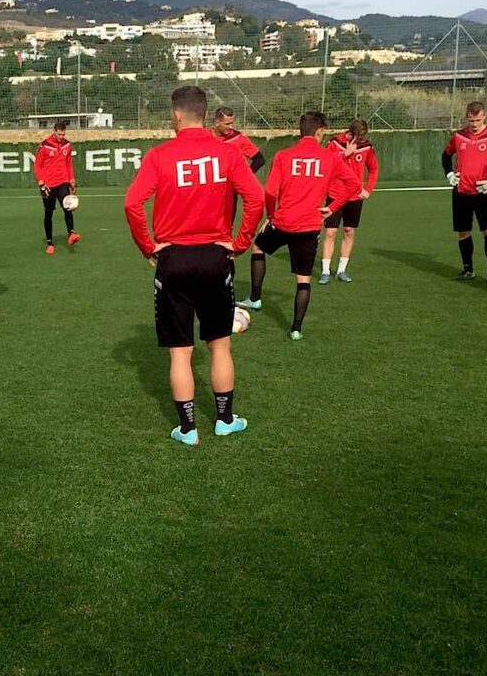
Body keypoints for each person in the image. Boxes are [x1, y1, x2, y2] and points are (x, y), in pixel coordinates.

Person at [124, 85, 264, 446]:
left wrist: (147, 247)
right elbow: (255, 198)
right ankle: (225, 420)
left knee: (180, 352)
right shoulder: (228, 152)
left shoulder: (159, 155)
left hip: (174, 259)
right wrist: (240, 243)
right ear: (205, 115)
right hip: (216, 257)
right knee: (220, 345)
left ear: (176, 115)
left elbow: (132, 204)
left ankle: (188, 430)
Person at [237, 110, 358, 340]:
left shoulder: (283, 156)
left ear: (301, 130)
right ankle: (296, 329)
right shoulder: (330, 158)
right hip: (309, 227)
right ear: (319, 132)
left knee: (258, 247)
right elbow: (353, 185)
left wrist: (271, 216)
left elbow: (270, 191)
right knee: (303, 280)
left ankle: (255, 297)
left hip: (282, 221)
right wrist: (332, 208)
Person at [442, 101, 487, 283]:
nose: (474, 124)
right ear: (466, 118)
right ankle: (468, 270)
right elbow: (446, 155)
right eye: (471, 120)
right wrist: (449, 174)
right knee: (463, 232)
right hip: (461, 191)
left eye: (477, 120)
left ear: (485, 116)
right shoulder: (459, 136)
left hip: (483, 191)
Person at [319, 118, 378, 284]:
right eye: (359, 137)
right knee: (330, 232)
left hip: (354, 197)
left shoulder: (367, 147)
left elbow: (373, 169)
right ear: (350, 134)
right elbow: (326, 163)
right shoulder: (335, 143)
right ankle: (325, 271)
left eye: (363, 138)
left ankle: (341, 270)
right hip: (335, 195)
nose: (361, 140)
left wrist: (368, 189)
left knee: (349, 231)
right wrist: (344, 154)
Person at [34, 121, 80, 253]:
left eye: (63, 134)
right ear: (54, 131)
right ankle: (50, 243)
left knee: (68, 208)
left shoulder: (67, 145)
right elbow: (37, 165)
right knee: (48, 213)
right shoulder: (44, 145)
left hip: (63, 182)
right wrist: (41, 183)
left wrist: (71, 180)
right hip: (48, 185)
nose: (61, 137)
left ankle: (71, 234)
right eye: (59, 134)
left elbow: (69, 163)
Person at [212, 107, 265, 174]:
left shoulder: (238, 138)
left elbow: (259, 160)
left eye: (232, 123)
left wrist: (244, 176)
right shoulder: (207, 136)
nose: (231, 127)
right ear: (217, 123)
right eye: (227, 124)